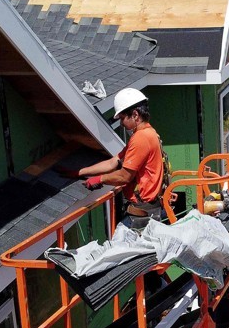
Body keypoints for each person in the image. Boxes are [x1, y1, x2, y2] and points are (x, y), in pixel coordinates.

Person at [66, 88, 167, 229]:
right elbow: (114, 161)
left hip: (143, 211)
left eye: (122, 118)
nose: (121, 124)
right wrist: (82, 172)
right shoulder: (148, 133)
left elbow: (124, 176)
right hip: (148, 207)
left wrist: (100, 179)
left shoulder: (141, 138)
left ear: (135, 115)